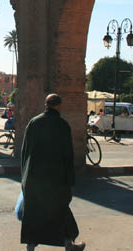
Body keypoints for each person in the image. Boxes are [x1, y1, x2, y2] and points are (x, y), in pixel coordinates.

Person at [20, 93, 85, 251]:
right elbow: (67, 155)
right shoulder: (62, 125)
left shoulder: (34, 123)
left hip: (34, 178)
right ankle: (69, 243)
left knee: (34, 212)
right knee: (60, 212)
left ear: (46, 105)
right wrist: (70, 180)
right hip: (56, 179)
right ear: (59, 106)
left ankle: (31, 245)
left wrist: (24, 176)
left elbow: (25, 152)